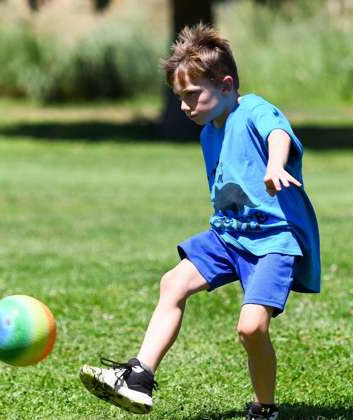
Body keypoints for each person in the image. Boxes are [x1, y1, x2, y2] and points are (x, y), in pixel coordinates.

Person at [79, 23, 321, 420]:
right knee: (173, 282)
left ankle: (264, 408)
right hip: (228, 235)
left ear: (226, 86)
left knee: (251, 329)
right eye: (179, 98)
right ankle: (140, 376)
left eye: (193, 95)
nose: (185, 106)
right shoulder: (209, 131)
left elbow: (277, 132)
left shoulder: (253, 109)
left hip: (273, 239)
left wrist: (276, 164)